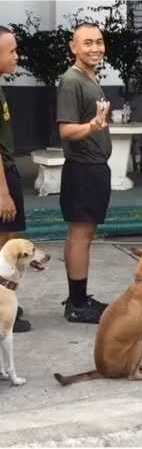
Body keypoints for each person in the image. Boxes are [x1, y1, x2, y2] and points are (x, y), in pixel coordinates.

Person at [56, 22, 112, 323]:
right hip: (83, 169)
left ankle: (77, 295)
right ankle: (78, 304)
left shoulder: (90, 78)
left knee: (82, 234)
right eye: (87, 43)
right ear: (73, 47)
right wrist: (92, 126)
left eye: (99, 42)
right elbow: (65, 130)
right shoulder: (71, 81)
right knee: (81, 235)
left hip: (94, 167)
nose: (95, 48)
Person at [0, 26, 29, 332]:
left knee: (11, 237)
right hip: (2, 176)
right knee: (4, 244)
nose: (16, 56)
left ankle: (6, 303)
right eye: (11, 51)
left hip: (8, 171)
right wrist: (3, 192)